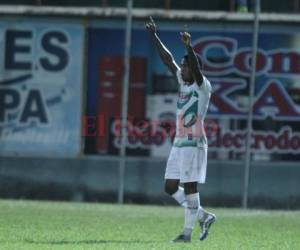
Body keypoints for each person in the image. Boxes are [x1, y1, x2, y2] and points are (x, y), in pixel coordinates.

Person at [146, 16, 216, 243]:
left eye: (186, 66)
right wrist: (154, 36)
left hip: (194, 142)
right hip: (179, 143)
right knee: (170, 186)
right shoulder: (183, 82)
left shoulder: (201, 85)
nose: (183, 68)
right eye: (184, 66)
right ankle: (203, 215)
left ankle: (186, 235)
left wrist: (189, 46)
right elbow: (168, 60)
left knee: (190, 187)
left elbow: (195, 68)